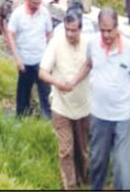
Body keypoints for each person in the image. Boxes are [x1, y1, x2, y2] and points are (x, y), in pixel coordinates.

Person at [64, 9, 130, 191]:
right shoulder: (93, 43)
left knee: (122, 167)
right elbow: (88, 64)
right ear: (98, 28)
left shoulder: (129, 48)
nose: (107, 35)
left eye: (110, 30)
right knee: (98, 162)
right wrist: (74, 82)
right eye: (103, 30)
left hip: (121, 117)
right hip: (99, 115)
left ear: (117, 28)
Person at [39, 11, 91, 190]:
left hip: (84, 106)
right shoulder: (56, 43)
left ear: (80, 29)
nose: (70, 34)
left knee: (83, 149)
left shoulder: (89, 44)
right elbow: (43, 72)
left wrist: (75, 81)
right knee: (66, 149)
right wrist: (57, 83)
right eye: (67, 30)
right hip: (61, 106)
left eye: (74, 31)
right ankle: (69, 185)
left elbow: (91, 65)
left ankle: (84, 177)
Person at [7, 0, 53, 119]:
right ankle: (21, 118)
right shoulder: (18, 14)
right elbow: (10, 34)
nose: (38, 6)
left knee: (45, 92)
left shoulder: (44, 13)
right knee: (23, 93)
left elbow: (49, 33)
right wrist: (17, 58)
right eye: (35, 3)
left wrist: (50, 56)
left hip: (42, 61)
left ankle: (47, 119)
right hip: (25, 61)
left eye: (39, 3)